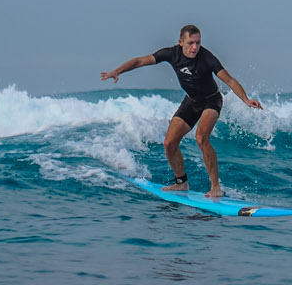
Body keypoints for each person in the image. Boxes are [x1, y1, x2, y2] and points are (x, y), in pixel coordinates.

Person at [102, 25, 263, 198]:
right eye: (191, 43)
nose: (195, 47)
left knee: (201, 138)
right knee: (169, 144)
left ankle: (215, 187)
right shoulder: (171, 54)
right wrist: (117, 71)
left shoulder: (207, 58)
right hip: (191, 101)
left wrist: (245, 99)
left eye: (198, 43)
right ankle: (182, 183)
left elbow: (230, 80)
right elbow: (140, 61)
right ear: (180, 42)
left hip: (211, 100)